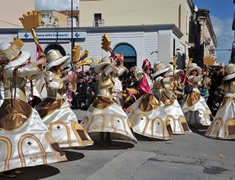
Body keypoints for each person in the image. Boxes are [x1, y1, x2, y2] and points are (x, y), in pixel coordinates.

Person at [0, 38, 67, 177]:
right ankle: (6, 166)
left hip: (19, 103)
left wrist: (41, 66)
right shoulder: (7, 69)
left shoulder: (17, 69)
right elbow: (25, 71)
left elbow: (31, 75)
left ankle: (18, 160)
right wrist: (36, 63)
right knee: (12, 134)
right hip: (11, 105)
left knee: (23, 132)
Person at [36, 49, 93, 148]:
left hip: (61, 102)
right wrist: (65, 79)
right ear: (57, 65)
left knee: (70, 118)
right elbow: (51, 85)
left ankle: (64, 141)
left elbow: (71, 88)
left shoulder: (60, 74)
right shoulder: (49, 74)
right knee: (49, 122)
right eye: (61, 63)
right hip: (51, 102)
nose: (63, 65)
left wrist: (72, 80)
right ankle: (48, 142)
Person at [80, 56, 137, 147]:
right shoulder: (101, 74)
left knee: (113, 118)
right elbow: (108, 71)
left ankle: (108, 138)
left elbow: (118, 72)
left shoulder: (110, 76)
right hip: (101, 100)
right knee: (102, 120)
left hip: (110, 99)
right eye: (106, 66)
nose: (108, 67)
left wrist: (121, 63)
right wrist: (114, 61)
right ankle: (102, 139)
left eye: (108, 66)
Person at [126, 61, 173, 140]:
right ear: (163, 73)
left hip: (156, 100)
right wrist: (171, 78)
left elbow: (167, 89)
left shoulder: (158, 79)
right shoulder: (159, 79)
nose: (167, 73)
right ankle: (151, 133)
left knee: (154, 117)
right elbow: (163, 81)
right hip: (152, 100)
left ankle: (153, 133)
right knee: (153, 117)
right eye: (166, 72)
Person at [205, 63, 235, 139]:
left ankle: (221, 131)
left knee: (224, 114)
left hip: (225, 100)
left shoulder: (224, 83)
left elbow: (222, 91)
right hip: (234, 98)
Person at [160, 64, 192, 134]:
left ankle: (178, 128)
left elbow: (177, 91)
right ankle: (168, 128)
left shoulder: (174, 82)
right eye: (172, 76)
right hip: (167, 99)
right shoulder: (166, 82)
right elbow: (167, 90)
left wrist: (181, 87)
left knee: (176, 112)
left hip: (173, 99)